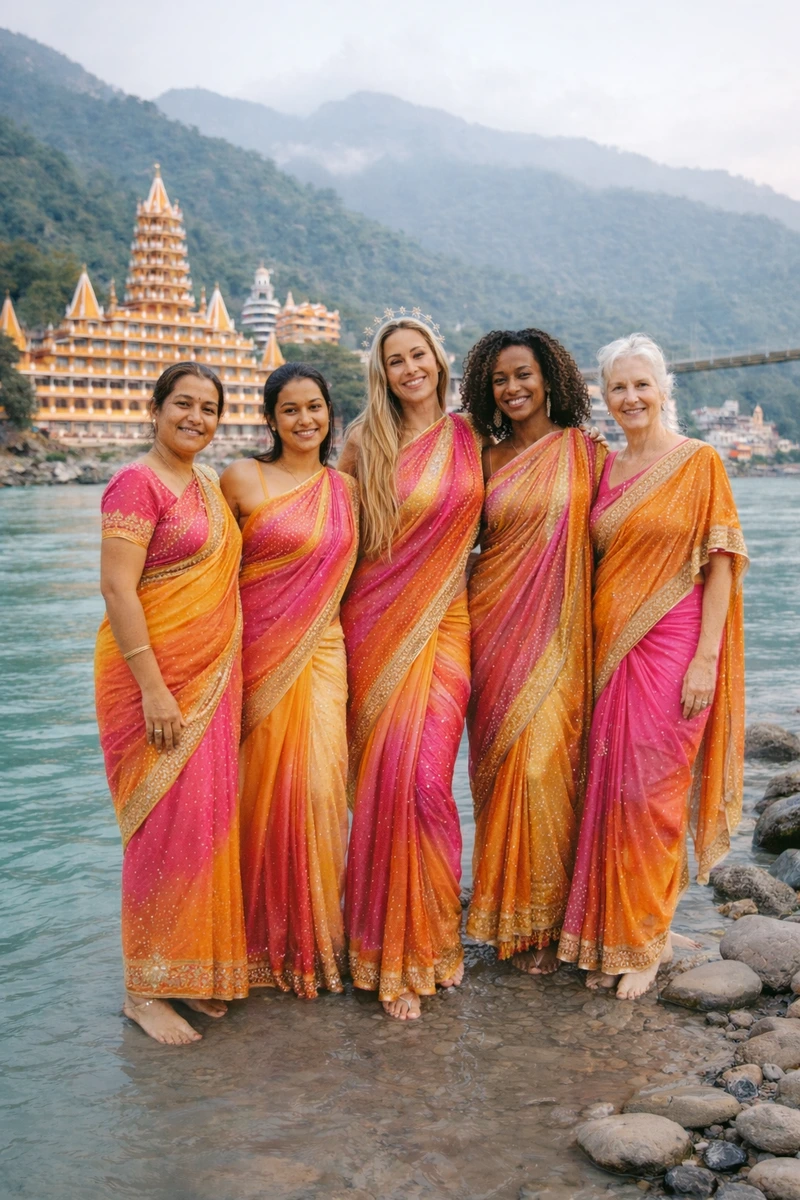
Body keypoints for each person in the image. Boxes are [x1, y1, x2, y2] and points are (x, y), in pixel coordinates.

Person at [558, 333, 747, 999]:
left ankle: (645, 942)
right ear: (604, 397)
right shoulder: (604, 468)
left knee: (655, 796)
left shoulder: (699, 463)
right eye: (618, 387)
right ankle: (616, 932)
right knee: (609, 793)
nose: (631, 397)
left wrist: (706, 661)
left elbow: (721, 564)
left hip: (675, 650)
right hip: (611, 652)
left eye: (642, 385)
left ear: (664, 389)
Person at [95, 362, 248, 1046]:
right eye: (182, 404)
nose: (196, 417)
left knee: (203, 824)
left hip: (212, 680)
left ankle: (189, 970)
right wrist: (154, 688)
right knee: (158, 829)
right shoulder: (137, 483)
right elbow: (119, 592)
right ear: (154, 408)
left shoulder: (211, 486)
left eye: (209, 407)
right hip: (151, 683)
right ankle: (143, 990)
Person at [338, 314, 484, 1020]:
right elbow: (330, 534)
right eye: (395, 360)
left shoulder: (471, 434)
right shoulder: (364, 442)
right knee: (383, 785)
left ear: (437, 358)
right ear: (382, 372)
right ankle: (386, 950)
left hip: (450, 623)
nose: (409, 369)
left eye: (418, 355)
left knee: (427, 783)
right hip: (374, 626)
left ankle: (429, 938)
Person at [460, 329, 605, 975]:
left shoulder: (588, 454)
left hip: (564, 632)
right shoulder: (483, 460)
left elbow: (618, 535)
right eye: (499, 380)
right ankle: (510, 923)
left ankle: (549, 918)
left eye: (523, 374)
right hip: (492, 630)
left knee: (549, 769)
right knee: (506, 771)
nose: (512, 388)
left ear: (549, 378)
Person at [220, 363, 358, 998]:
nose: (306, 420)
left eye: (316, 407)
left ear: (331, 413)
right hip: (257, 658)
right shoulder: (243, 478)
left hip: (325, 656)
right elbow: (205, 571)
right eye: (291, 410)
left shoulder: (347, 489)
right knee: (260, 793)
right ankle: (255, 943)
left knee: (320, 791)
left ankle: (316, 939)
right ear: (270, 419)